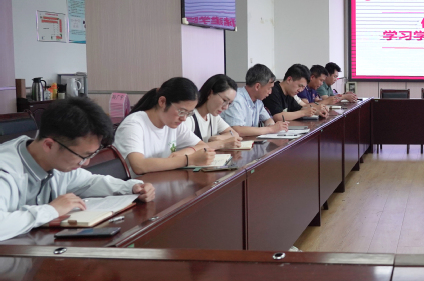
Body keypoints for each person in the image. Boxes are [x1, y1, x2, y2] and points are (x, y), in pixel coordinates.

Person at [0, 97, 155, 242]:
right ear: (49, 145)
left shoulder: (56, 160)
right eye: (82, 156)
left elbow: (89, 182)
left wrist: (132, 187)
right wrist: (51, 210)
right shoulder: (6, 170)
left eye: (91, 155)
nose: (86, 163)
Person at [114, 77, 214, 176]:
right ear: (162, 102)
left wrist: (183, 153)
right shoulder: (134, 124)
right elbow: (139, 166)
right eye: (181, 111)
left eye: (189, 113)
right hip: (137, 184)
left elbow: (203, 146)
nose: (184, 118)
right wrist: (188, 159)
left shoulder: (173, 123)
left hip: (160, 181)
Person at [220, 64, 289, 136]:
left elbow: (267, 119)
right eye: (269, 88)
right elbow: (237, 130)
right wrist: (270, 129)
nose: (270, 92)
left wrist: (272, 126)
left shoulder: (258, 101)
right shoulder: (236, 99)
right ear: (257, 86)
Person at [185, 74, 243, 150]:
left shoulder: (213, 116)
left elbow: (234, 134)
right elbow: (189, 150)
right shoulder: (188, 117)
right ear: (210, 93)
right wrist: (221, 144)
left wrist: (218, 138)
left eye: (229, 103)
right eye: (224, 100)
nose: (226, 107)